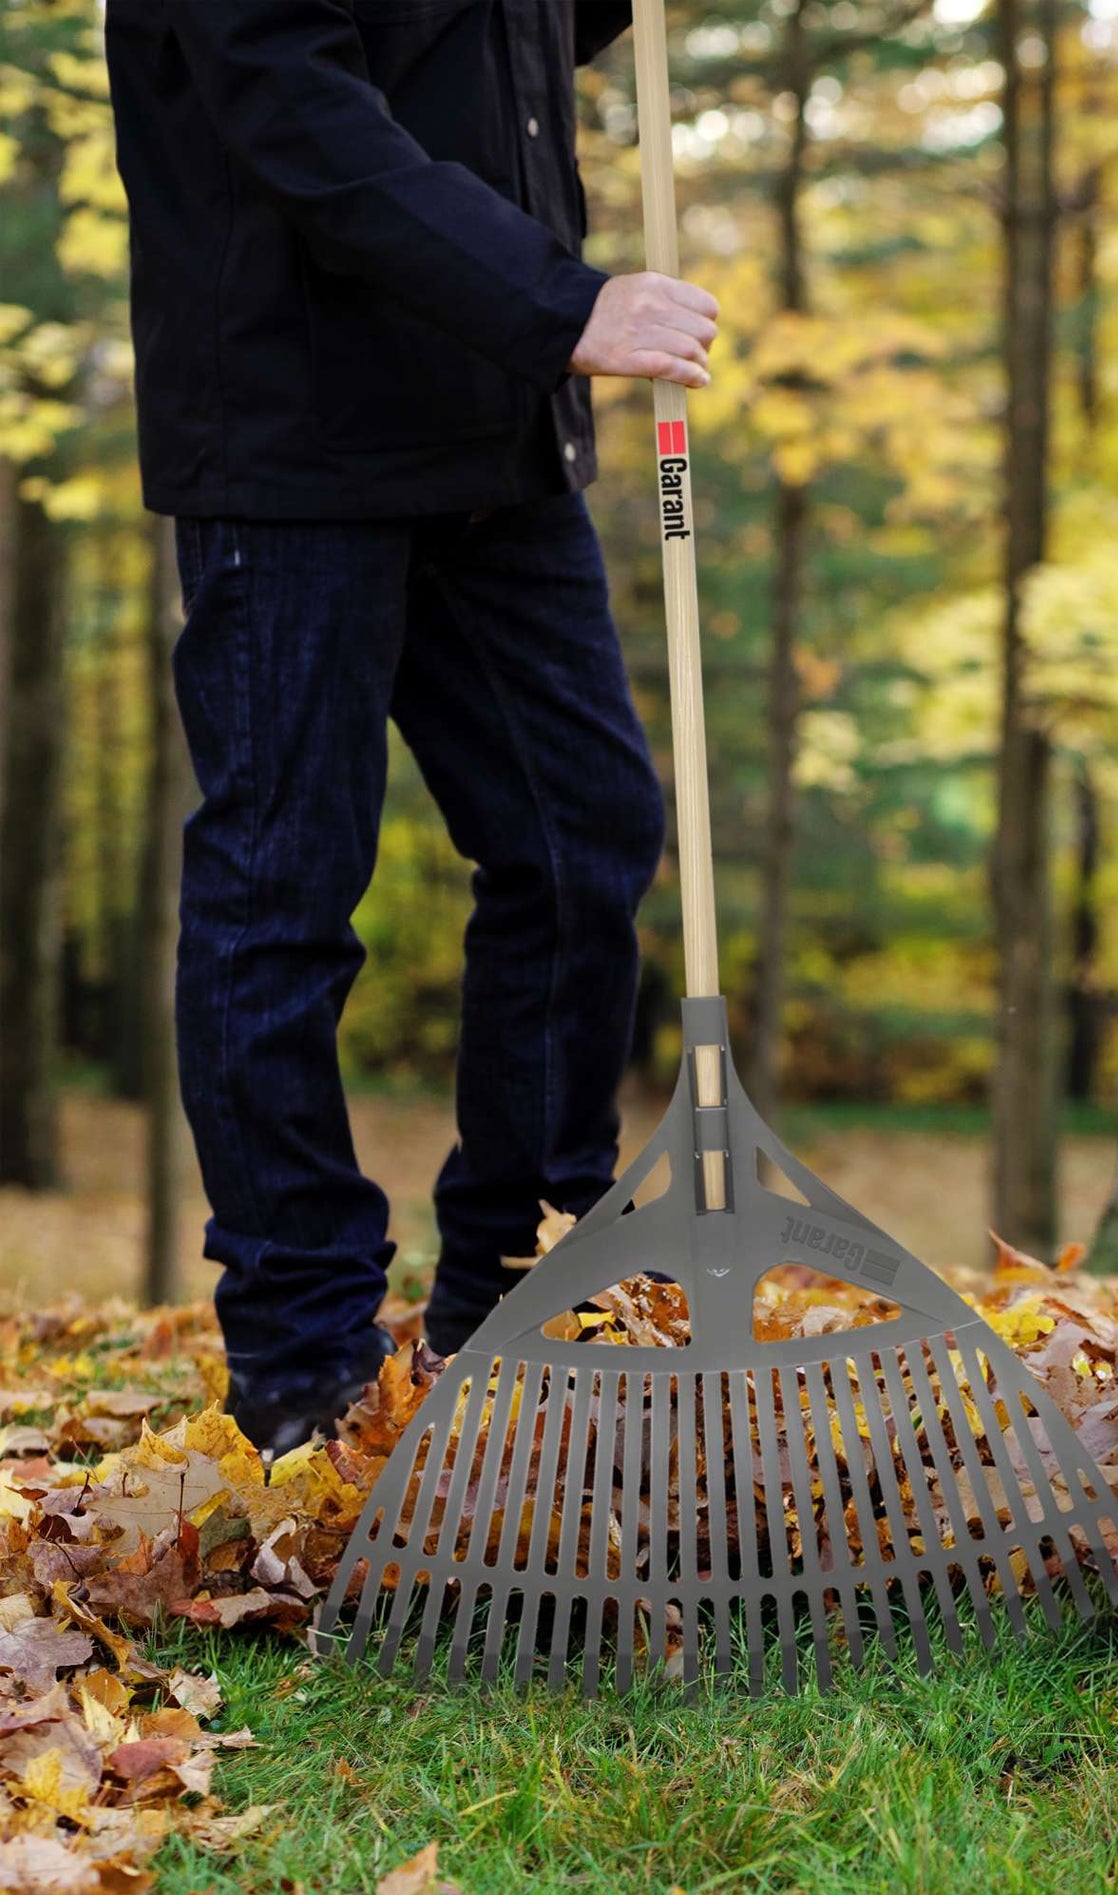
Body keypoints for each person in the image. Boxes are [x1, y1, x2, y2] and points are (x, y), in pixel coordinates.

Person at [104, 0, 719, 1452]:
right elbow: (295, 106)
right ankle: (304, 1355)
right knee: (283, 889)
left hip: (491, 432)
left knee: (582, 839)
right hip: (293, 432)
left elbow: (500, 43)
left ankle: (522, 1286)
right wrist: (560, 304)